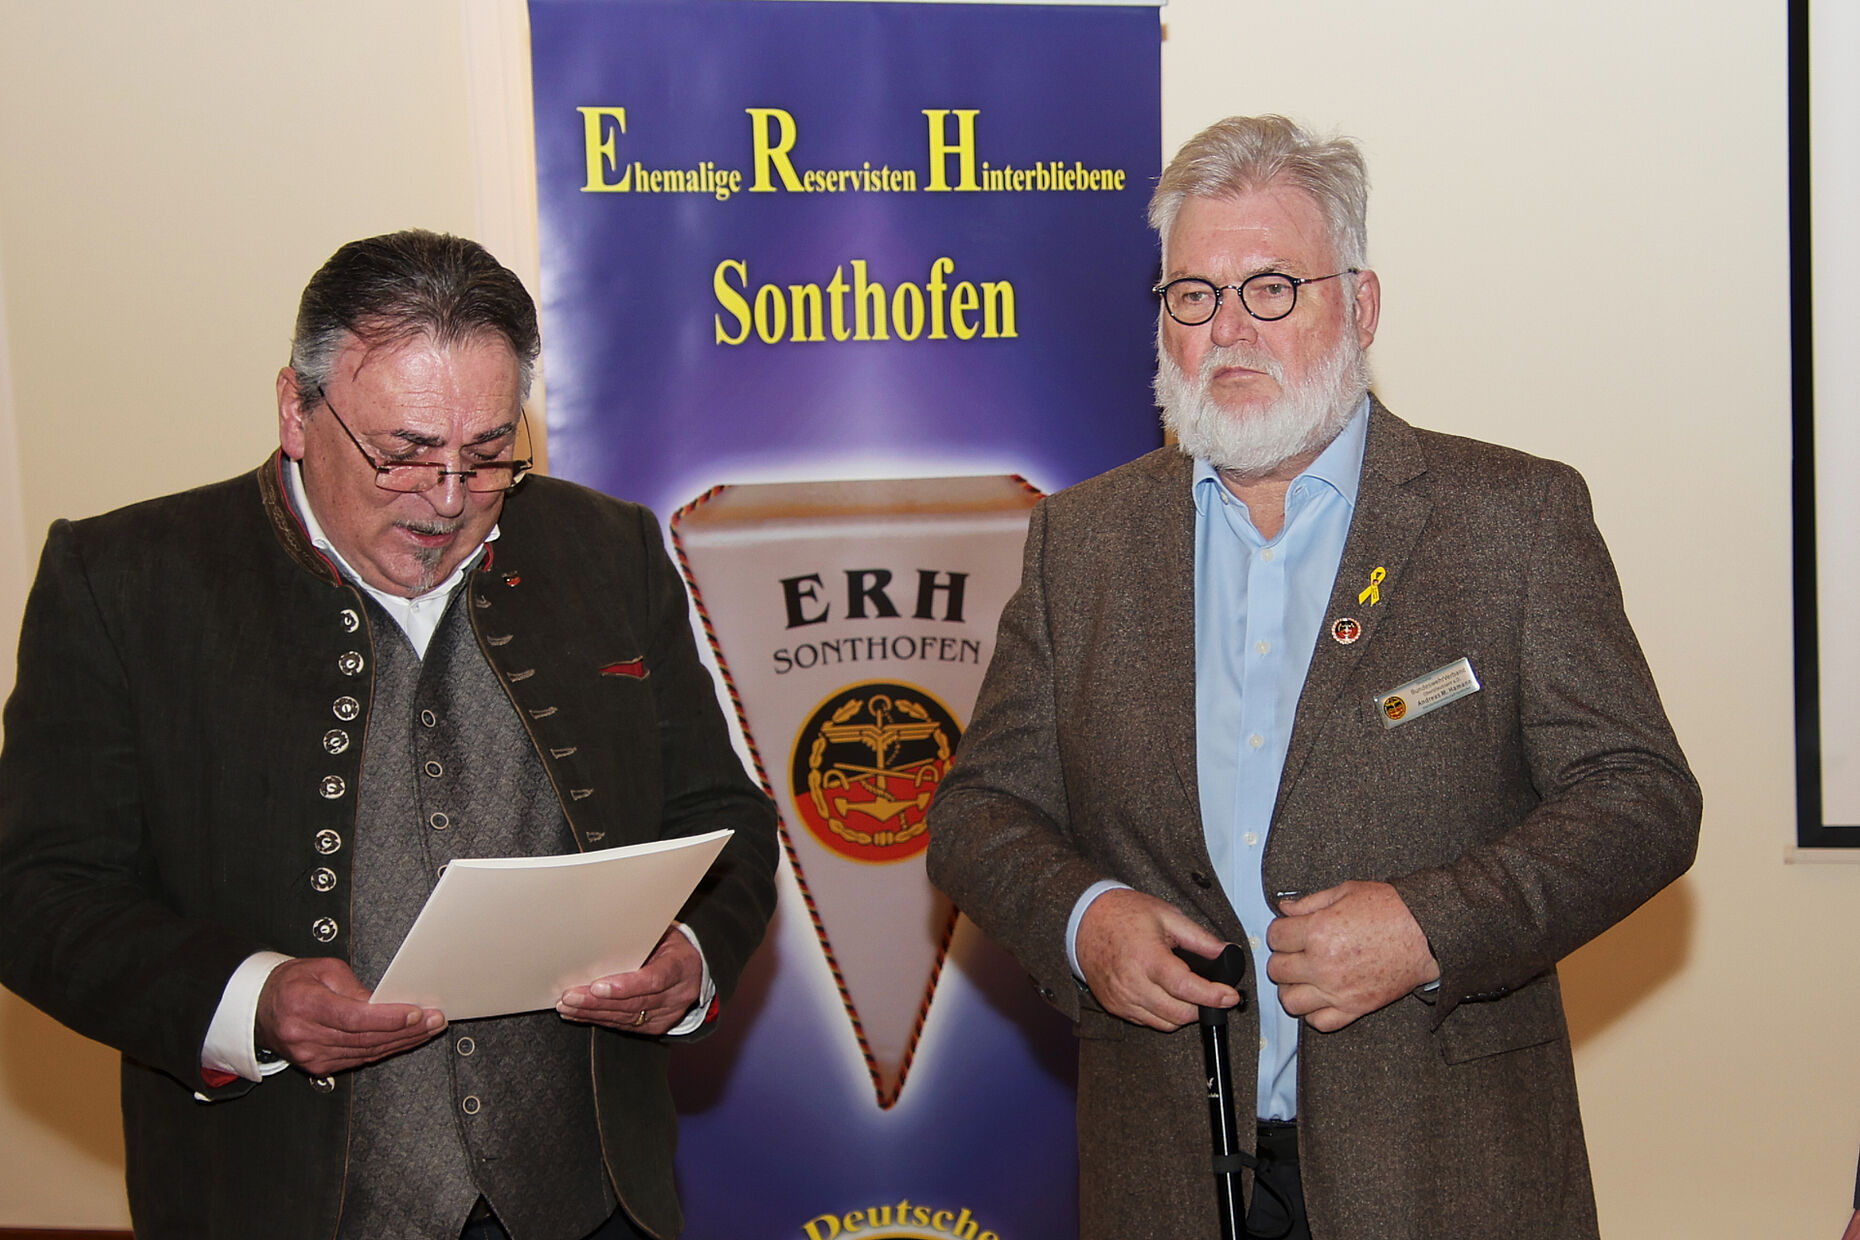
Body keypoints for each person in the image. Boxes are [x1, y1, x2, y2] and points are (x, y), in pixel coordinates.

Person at [925, 115, 1701, 1239]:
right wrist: (1085, 920)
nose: (1228, 330)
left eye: (1272, 288)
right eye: (1193, 295)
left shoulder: (1513, 520)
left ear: (1362, 304)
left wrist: (1430, 926)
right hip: (1169, 1181)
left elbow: (1642, 798)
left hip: (1446, 1177)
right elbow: (978, 813)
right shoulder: (1081, 543)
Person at [0, 230, 779, 1240]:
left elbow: (723, 817)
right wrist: (252, 997)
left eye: (490, 453)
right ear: (295, 408)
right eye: (404, 453)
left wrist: (691, 961)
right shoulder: (124, 582)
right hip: (277, 1196)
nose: (447, 498)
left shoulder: (609, 549)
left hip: (591, 1201)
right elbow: (35, 887)